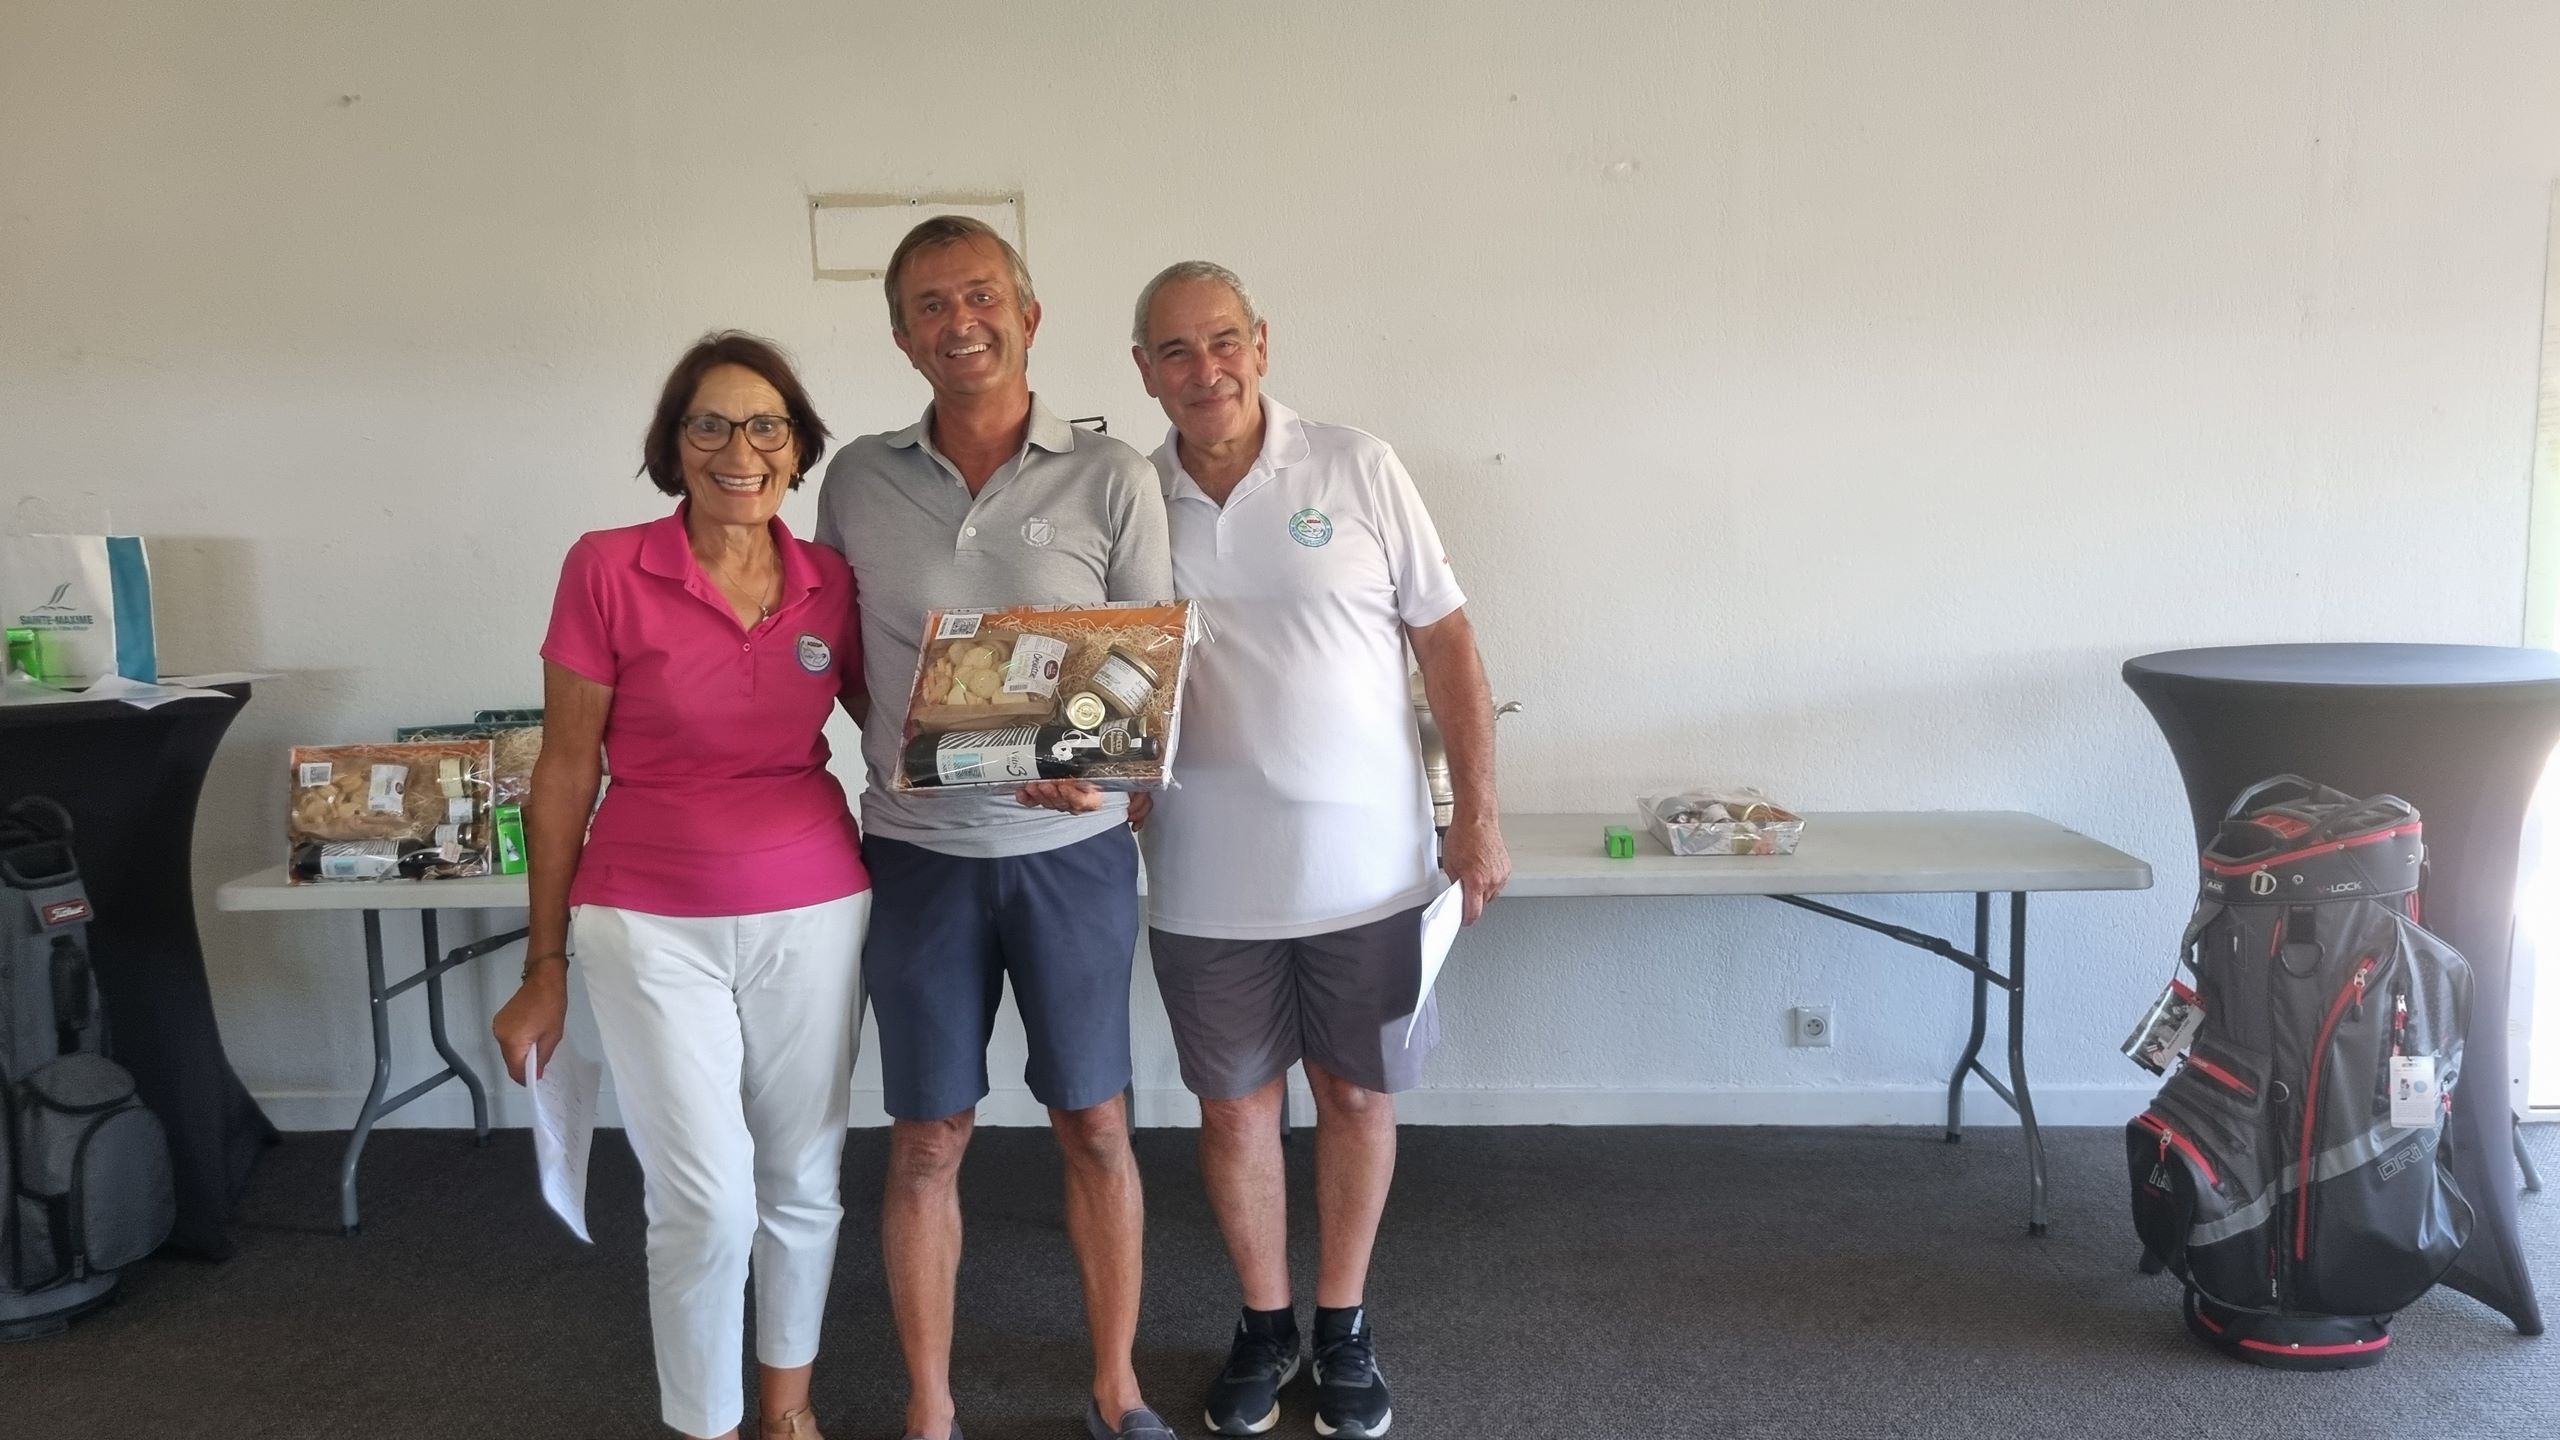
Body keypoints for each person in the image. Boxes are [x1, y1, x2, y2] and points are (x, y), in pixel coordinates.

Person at [1130, 262, 1510, 1439]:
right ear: (1144, 371)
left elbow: (1448, 641)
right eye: (1176, 351)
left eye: (1222, 341)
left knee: (1354, 1094)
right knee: (1234, 1112)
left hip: (1368, 869)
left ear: (1260, 343)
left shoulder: (1355, 465)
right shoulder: (1130, 497)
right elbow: (1108, 673)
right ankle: (1263, 1324)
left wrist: (1476, 813)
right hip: (1203, 873)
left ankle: (1341, 1326)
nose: (1205, 369)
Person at [814, 216, 1178, 1440]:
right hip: (917, 856)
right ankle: (930, 1406)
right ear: (901, 336)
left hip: (1070, 856)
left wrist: (1097, 769)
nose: (956, 322)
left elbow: (1143, 667)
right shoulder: (857, 479)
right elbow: (843, 655)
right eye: (928, 305)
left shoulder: (1111, 474)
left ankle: (1116, 1387)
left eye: (978, 296)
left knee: (1096, 1124)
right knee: (927, 1138)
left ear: (1027, 315)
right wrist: (925, 745)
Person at [492, 333, 871, 1440]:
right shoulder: (608, 567)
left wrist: (1061, 758)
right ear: (673, 445)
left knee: (803, 1177)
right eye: (710, 424)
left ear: (797, 450)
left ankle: (788, 1413)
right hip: (647, 919)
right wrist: (544, 964)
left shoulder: (832, 583)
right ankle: (707, 1426)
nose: (739, 450)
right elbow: (566, 770)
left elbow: (908, 726)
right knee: (706, 1203)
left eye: (766, 427)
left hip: (813, 905)